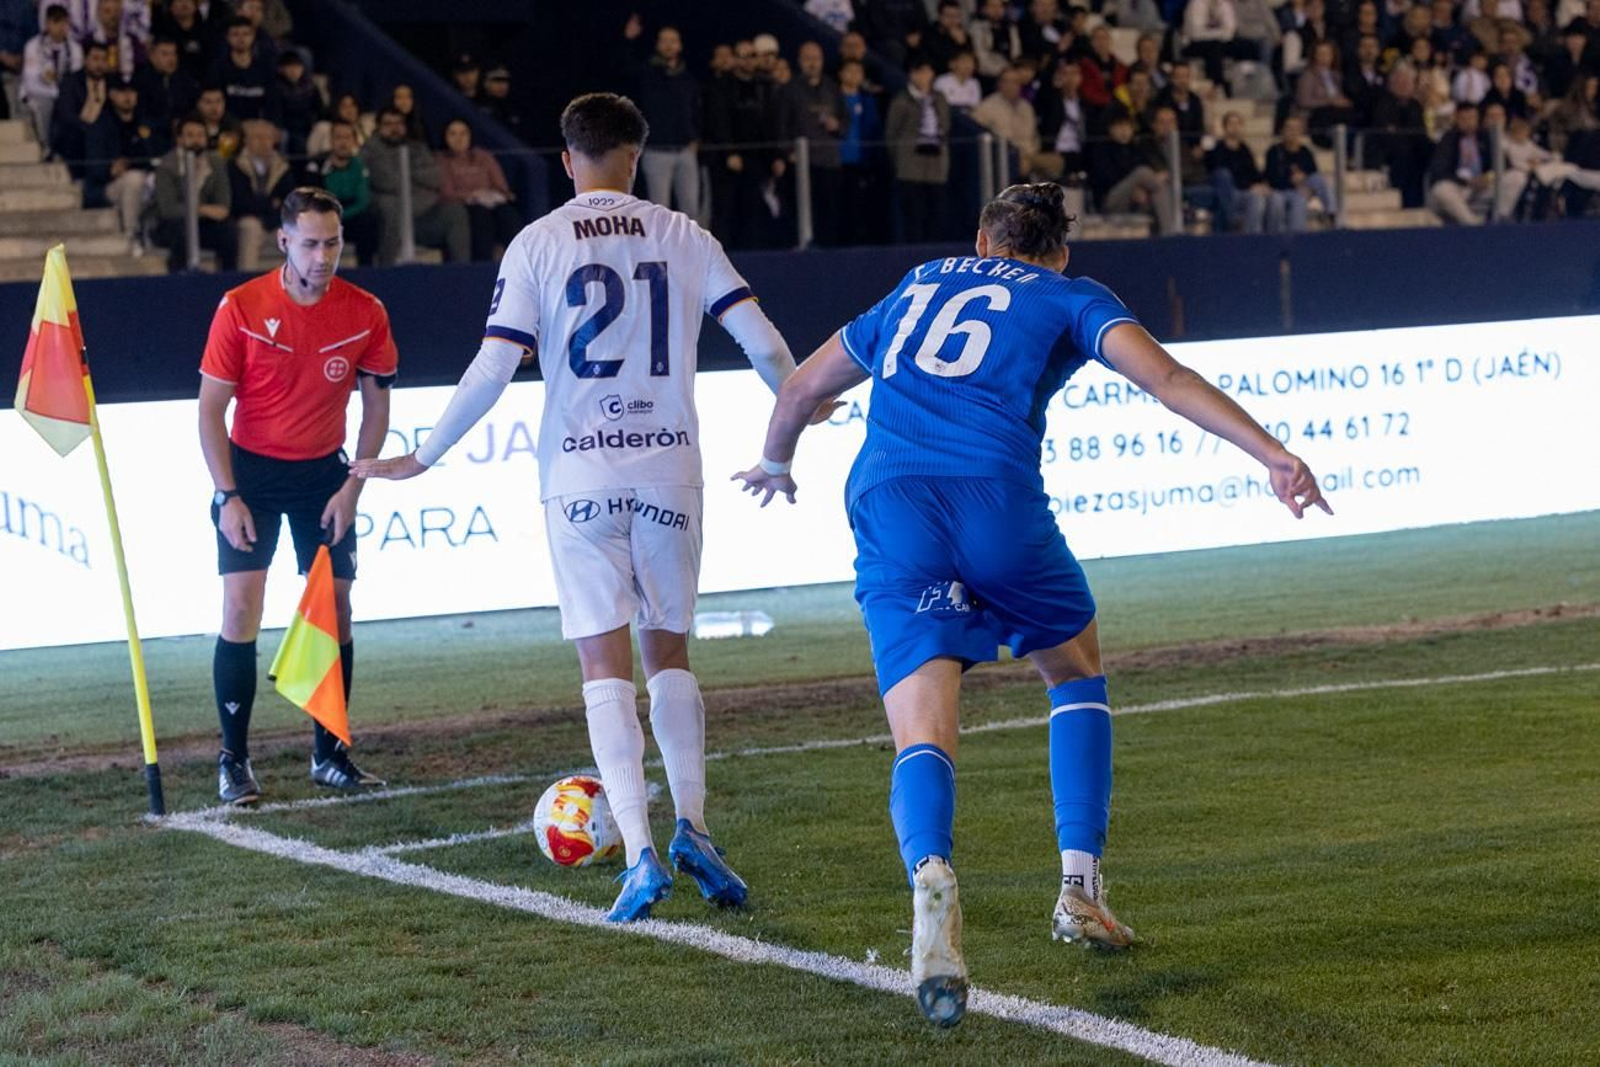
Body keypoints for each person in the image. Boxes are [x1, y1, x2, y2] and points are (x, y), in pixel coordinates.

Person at [731, 181, 1331, 1028]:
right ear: (1061, 250)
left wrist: (777, 462)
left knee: (923, 723)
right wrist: (1271, 452)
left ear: (982, 238)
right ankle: (1079, 886)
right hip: (992, 498)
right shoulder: (1071, 295)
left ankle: (931, 868)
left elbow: (797, 391)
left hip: (891, 501)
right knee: (1074, 666)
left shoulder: (917, 284)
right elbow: (1166, 376)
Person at [350, 93, 820, 924]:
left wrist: (423, 455)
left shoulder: (538, 241)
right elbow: (764, 341)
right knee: (669, 651)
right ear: (635, 157)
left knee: (604, 665)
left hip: (580, 474)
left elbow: (493, 370)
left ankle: (638, 853)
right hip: (670, 467)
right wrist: (796, 408)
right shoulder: (685, 234)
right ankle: (695, 826)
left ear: (566, 160)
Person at [199, 186, 398, 806]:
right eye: (310, 243)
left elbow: (377, 405)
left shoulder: (365, 310)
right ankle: (234, 760)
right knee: (240, 611)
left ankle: (330, 754)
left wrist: (354, 486)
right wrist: (226, 494)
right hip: (251, 476)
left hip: (324, 478)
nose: (323, 256)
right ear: (283, 240)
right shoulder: (241, 305)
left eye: (332, 243)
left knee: (334, 609)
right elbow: (209, 412)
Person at [436, 116, 521, 261]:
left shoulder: (483, 156)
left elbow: (502, 187)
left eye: (463, 133)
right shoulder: (441, 160)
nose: (459, 138)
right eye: (453, 134)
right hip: (464, 206)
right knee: (481, 219)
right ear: (445, 137)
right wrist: (473, 195)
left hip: (491, 203)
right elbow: (447, 192)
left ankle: (521, 263)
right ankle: (483, 267)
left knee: (508, 216)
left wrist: (494, 195)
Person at [305, 118, 379, 264]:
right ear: (331, 141)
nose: (343, 142)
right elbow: (313, 202)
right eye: (338, 137)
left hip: (348, 218)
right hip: (323, 221)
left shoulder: (359, 166)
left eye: (347, 137)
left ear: (354, 141)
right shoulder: (316, 166)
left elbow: (363, 201)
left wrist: (339, 217)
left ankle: (366, 273)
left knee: (368, 221)